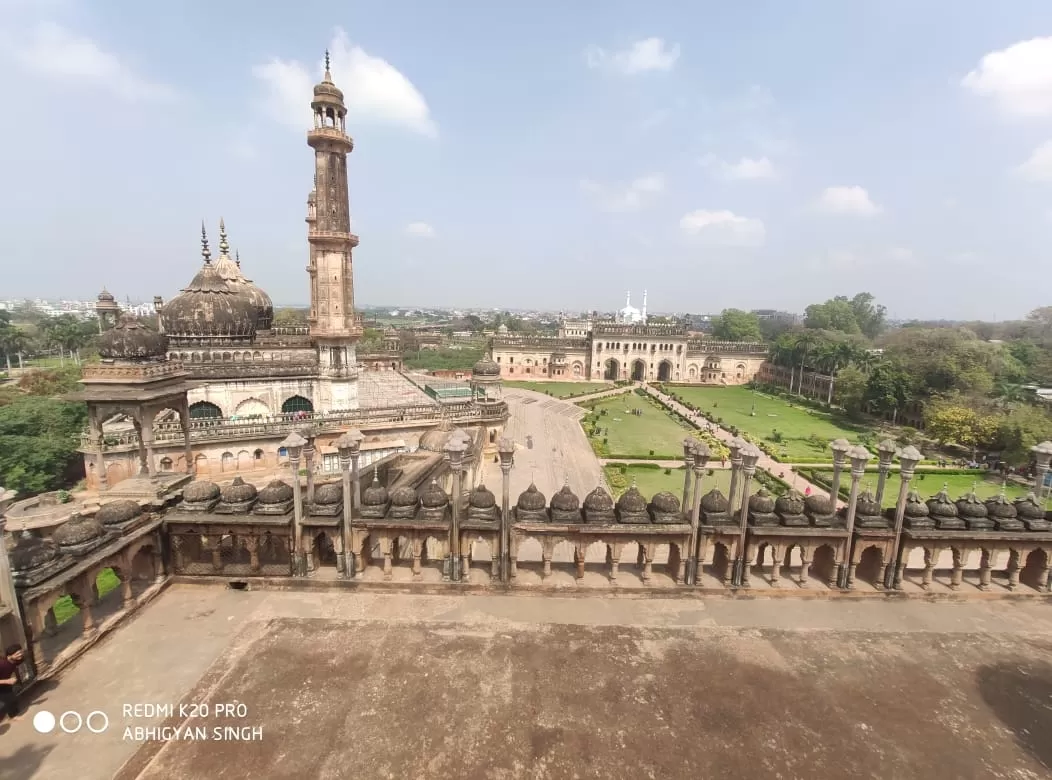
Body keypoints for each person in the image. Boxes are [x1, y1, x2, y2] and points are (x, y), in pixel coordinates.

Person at [0, 644, 25, 721]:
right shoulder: (2, 664)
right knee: (8, 699)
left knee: (11, 699)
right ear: (9, 655)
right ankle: (13, 716)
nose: (20, 655)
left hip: (5, 684)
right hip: (3, 683)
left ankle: (13, 714)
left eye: (21, 652)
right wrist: (7, 681)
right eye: (17, 654)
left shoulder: (16, 660)